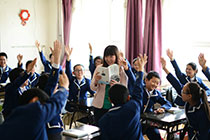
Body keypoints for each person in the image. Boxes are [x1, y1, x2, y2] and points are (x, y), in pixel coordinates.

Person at [0, 71, 69, 140]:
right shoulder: (36, 114)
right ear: (34, 100)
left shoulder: (28, 93)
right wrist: (64, 89)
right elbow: (53, 99)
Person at [98, 54, 147, 140]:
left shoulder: (103, 120)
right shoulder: (133, 107)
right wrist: (140, 71)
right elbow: (138, 89)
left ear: (110, 100)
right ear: (128, 97)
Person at [161, 57, 210, 140]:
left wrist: (204, 67)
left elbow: (203, 134)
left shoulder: (201, 111)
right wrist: (165, 68)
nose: (180, 93)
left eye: (183, 92)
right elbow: (175, 82)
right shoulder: (188, 104)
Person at [90, 45, 128, 125]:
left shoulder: (121, 69)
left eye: (111, 56)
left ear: (116, 56)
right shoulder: (99, 68)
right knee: (98, 127)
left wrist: (117, 85)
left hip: (114, 105)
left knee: (112, 128)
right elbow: (92, 88)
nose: (108, 59)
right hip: (99, 104)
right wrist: (96, 81)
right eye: (106, 56)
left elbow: (125, 89)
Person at [35, 40, 63, 140]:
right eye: (56, 85)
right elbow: (52, 82)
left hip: (55, 127)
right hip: (52, 128)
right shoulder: (46, 94)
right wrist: (56, 61)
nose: (57, 86)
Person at [141, 70, 172, 140]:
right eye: (153, 82)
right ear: (146, 80)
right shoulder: (139, 90)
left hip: (149, 121)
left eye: (157, 83)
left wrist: (163, 108)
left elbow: (168, 103)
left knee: (156, 136)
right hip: (136, 119)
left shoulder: (156, 93)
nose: (155, 84)